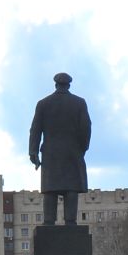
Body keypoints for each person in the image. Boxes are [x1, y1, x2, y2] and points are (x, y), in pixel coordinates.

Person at [28, 71, 91, 227]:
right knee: (71, 189)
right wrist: (82, 149)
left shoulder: (43, 104)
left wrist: (33, 151)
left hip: (51, 154)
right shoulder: (79, 103)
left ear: (55, 85)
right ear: (69, 85)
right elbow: (86, 129)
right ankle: (71, 221)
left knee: (51, 189)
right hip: (72, 152)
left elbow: (35, 130)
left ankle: (49, 221)